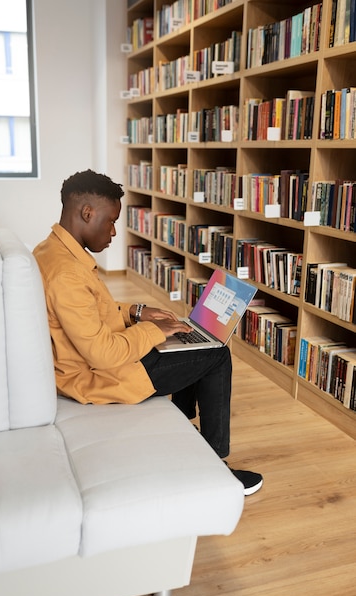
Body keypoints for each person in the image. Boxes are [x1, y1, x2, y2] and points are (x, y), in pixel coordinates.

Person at [33, 169, 263, 496]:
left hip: (100, 363)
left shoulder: (50, 251)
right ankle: (214, 466)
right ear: (87, 213)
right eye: (111, 220)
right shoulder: (67, 274)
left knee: (187, 343)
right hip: (101, 376)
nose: (114, 231)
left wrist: (138, 312)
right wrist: (153, 330)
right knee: (215, 355)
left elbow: (92, 311)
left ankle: (183, 436)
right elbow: (103, 354)